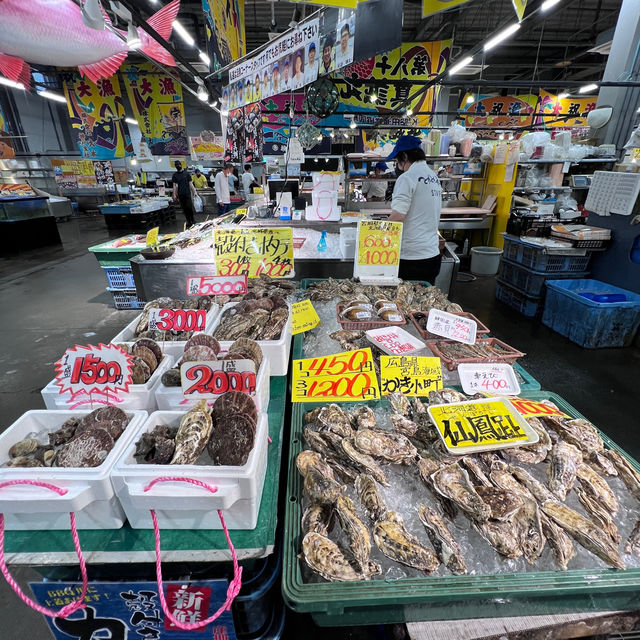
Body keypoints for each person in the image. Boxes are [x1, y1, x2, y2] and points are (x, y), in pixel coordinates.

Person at [386, 135, 442, 284]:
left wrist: (378, 232)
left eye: (397, 161)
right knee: (423, 303)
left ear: (404, 156)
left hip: (411, 259)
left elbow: (398, 216)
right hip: (432, 255)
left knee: (404, 304)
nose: (397, 165)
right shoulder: (433, 177)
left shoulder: (407, 177)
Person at [171, 161, 197, 227]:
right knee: (184, 209)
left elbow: (190, 184)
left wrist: (195, 192)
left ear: (181, 165)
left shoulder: (186, 174)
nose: (178, 166)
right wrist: (174, 194)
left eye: (178, 165)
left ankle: (193, 220)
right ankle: (189, 221)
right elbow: (174, 186)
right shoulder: (175, 175)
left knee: (189, 207)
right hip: (180, 195)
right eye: (176, 165)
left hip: (187, 194)